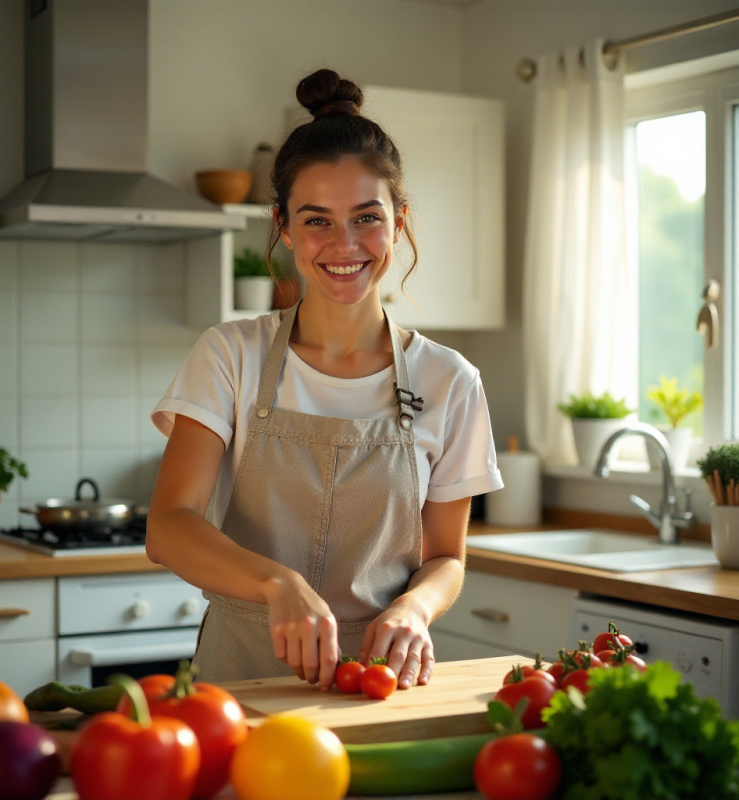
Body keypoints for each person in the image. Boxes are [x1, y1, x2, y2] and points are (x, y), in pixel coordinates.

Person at [148, 68, 503, 693]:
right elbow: (170, 525)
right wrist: (277, 583)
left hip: (381, 679)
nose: (345, 243)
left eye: (367, 216)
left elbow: (447, 557)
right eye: (317, 221)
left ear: (399, 222)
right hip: (240, 682)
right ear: (284, 226)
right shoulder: (231, 355)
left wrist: (415, 608)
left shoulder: (450, 380)